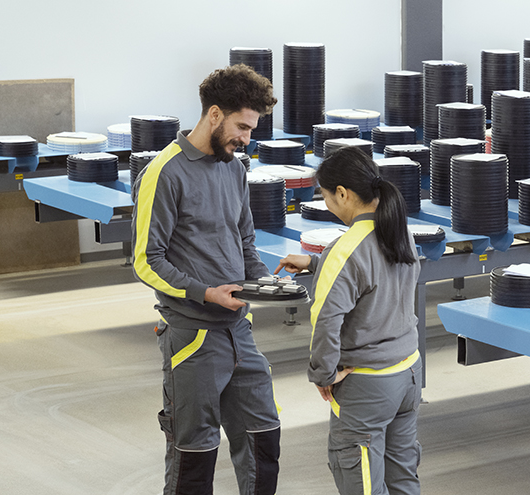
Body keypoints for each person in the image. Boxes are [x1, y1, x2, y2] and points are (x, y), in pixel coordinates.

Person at [131, 64, 281, 495]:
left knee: (263, 439)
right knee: (194, 454)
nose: (246, 138)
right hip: (192, 338)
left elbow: (245, 240)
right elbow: (146, 260)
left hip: (240, 332)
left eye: (252, 129)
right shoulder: (165, 172)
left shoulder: (235, 168)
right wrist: (205, 293)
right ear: (214, 115)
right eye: (241, 126)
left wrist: (265, 281)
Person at [275, 146, 422, 494]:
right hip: (408, 373)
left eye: (325, 197)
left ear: (342, 193)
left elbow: (326, 321)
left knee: (362, 483)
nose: (327, 204)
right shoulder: (400, 231)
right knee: (403, 479)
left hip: (367, 386)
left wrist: (323, 374)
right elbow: (374, 274)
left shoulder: (346, 250)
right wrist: (315, 263)